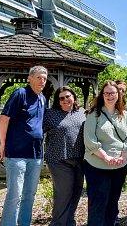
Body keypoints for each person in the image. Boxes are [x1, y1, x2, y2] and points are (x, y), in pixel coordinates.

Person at [0, 65, 48, 226]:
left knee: (30, 194)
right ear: (30, 78)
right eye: (39, 77)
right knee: (15, 195)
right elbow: (4, 118)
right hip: (16, 154)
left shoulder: (42, 99)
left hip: (35, 155)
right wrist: (3, 145)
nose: (42, 81)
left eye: (45, 78)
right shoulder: (20, 93)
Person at [83, 81, 127, 226]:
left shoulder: (124, 114)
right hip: (97, 166)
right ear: (102, 95)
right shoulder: (94, 114)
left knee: (113, 203)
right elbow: (89, 139)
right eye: (106, 93)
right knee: (98, 204)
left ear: (118, 95)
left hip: (118, 166)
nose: (110, 96)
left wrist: (124, 155)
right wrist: (105, 157)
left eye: (113, 93)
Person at [43, 86, 86, 226]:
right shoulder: (49, 114)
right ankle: (58, 223)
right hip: (58, 160)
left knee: (76, 192)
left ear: (74, 97)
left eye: (68, 96)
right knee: (63, 194)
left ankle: (69, 222)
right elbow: (36, 131)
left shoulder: (82, 112)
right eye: (61, 98)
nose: (65, 100)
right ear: (58, 101)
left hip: (79, 159)